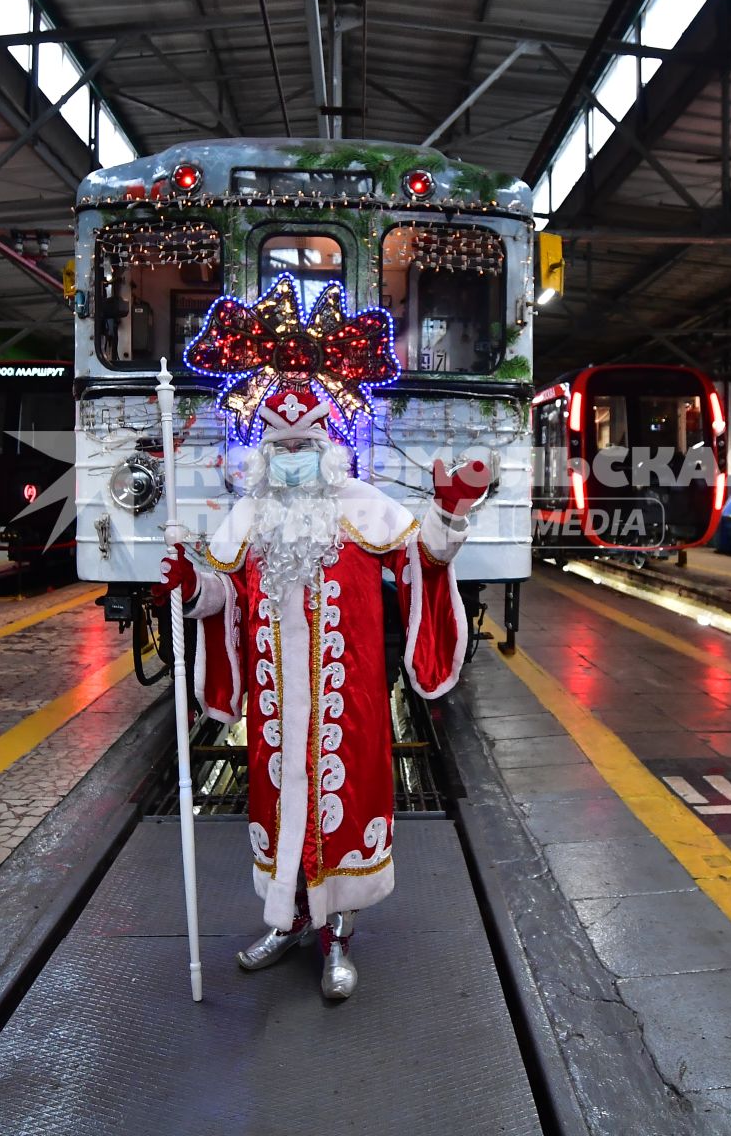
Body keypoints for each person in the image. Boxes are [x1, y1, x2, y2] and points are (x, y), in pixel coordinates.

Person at [162, 281, 491, 1002]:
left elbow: (424, 561)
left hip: (349, 705)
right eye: (280, 447)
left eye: (304, 446)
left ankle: (337, 933)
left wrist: (449, 514)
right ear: (260, 454)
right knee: (278, 799)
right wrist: (189, 584)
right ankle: (284, 920)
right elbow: (221, 595)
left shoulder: (364, 509)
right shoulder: (248, 517)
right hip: (279, 711)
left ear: (329, 449)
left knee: (343, 801)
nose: (291, 459)